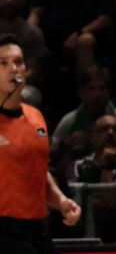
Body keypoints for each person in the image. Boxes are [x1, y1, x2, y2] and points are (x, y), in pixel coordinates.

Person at [0, 35, 82, 251]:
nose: (13, 69)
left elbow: (37, 170)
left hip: (35, 229)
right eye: (3, 63)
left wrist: (61, 201)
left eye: (18, 62)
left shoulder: (36, 117)